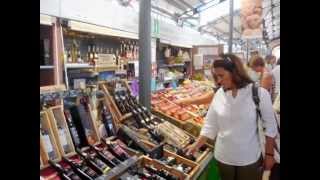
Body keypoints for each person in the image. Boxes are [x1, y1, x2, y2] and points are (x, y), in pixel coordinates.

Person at [185, 53, 278, 180]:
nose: (218, 80)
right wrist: (195, 145)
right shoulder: (219, 95)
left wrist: (269, 155)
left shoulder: (259, 94)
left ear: (235, 72)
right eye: (216, 76)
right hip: (223, 157)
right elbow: (210, 125)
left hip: (249, 159)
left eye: (221, 75)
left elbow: (270, 127)